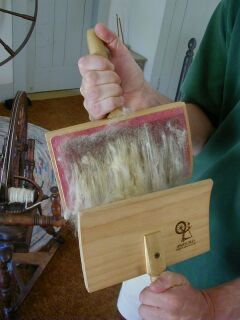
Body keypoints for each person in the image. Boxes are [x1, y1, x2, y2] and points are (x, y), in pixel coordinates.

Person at [78, 0, 240, 318]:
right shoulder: (234, 10)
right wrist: (144, 102)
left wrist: (215, 305)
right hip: (178, 229)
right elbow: (208, 123)